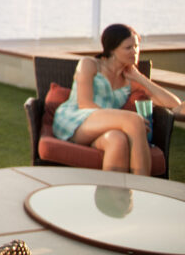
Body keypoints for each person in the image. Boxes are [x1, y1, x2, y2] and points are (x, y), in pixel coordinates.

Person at [52, 23, 181, 175]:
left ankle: (113, 196)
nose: (135, 51)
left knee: (117, 139)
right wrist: (121, 121)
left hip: (105, 128)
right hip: (76, 120)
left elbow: (174, 104)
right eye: (128, 47)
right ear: (112, 49)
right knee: (133, 121)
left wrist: (141, 78)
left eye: (137, 46)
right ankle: (143, 189)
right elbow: (85, 103)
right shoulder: (90, 64)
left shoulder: (130, 80)